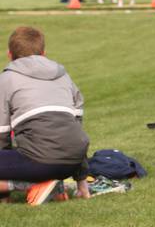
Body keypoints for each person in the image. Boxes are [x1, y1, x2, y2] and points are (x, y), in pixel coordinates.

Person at [0, 27, 90, 205]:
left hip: (41, 161)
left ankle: (33, 185)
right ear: (44, 53)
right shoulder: (64, 76)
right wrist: (82, 183)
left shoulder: (6, 79)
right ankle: (53, 183)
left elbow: (2, 134)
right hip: (72, 161)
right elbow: (77, 129)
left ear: (9, 54)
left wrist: (4, 195)